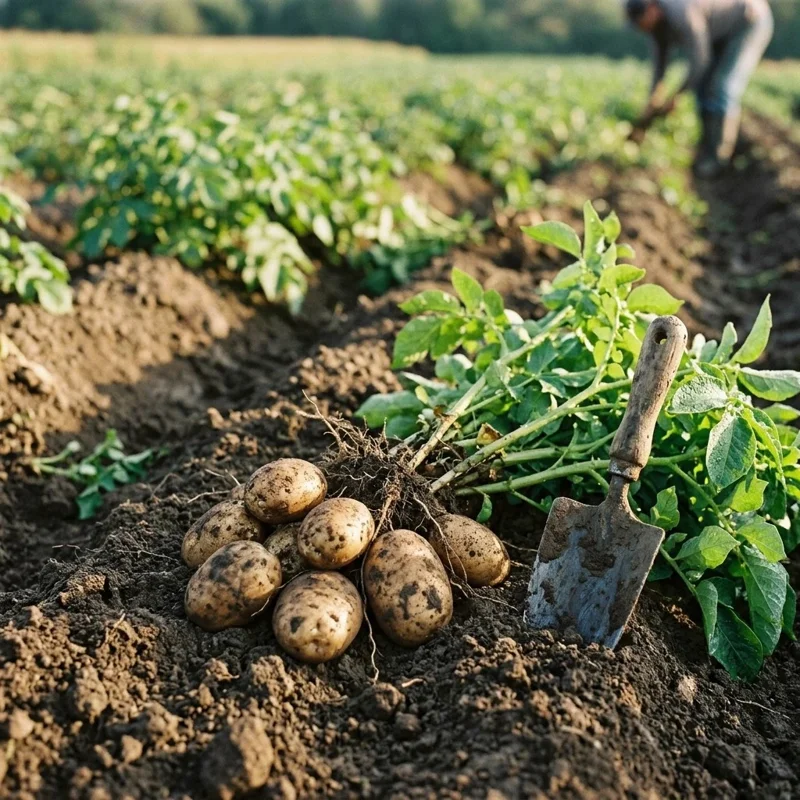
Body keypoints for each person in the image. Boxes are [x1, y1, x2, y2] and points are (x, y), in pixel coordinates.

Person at [625, 0, 774, 177]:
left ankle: (719, 158)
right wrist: (653, 99)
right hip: (719, 33)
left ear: (651, 8)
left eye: (641, 21)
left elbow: (700, 60)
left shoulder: (682, 12)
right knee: (703, 88)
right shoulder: (655, 28)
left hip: (749, 21)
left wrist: (677, 96)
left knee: (721, 87)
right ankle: (706, 151)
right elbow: (660, 66)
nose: (640, 27)